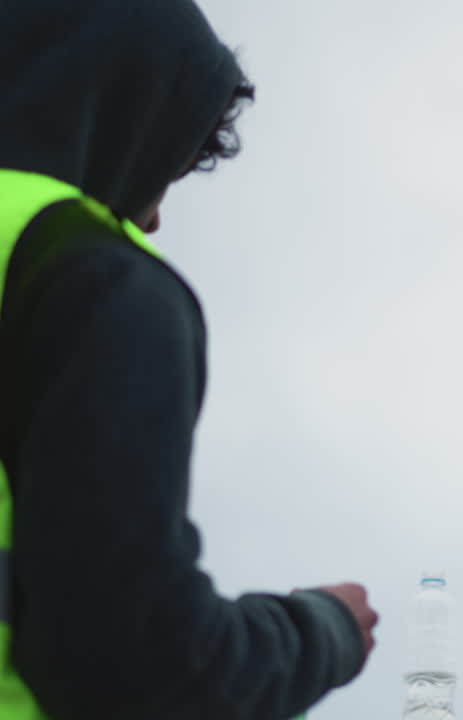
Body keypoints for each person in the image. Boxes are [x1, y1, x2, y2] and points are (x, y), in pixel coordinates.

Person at [0, 2, 378, 718]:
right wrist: (320, 633)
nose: (154, 218)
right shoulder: (87, 276)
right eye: (167, 168)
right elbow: (134, 665)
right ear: (120, 117)